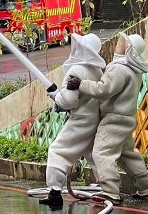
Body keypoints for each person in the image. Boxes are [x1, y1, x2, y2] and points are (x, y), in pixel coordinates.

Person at [66, 32, 148, 205]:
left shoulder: (119, 68)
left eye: (122, 43)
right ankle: (145, 188)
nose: (118, 44)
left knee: (102, 153)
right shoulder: (134, 71)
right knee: (128, 154)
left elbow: (102, 90)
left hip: (113, 120)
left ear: (129, 49)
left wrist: (81, 84)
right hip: (127, 119)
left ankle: (111, 192)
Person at [39, 33, 106, 208]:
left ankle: (54, 193)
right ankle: (108, 188)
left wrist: (55, 96)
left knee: (58, 151)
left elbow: (69, 101)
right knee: (93, 154)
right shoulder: (96, 70)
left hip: (80, 121)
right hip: (94, 120)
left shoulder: (76, 71)